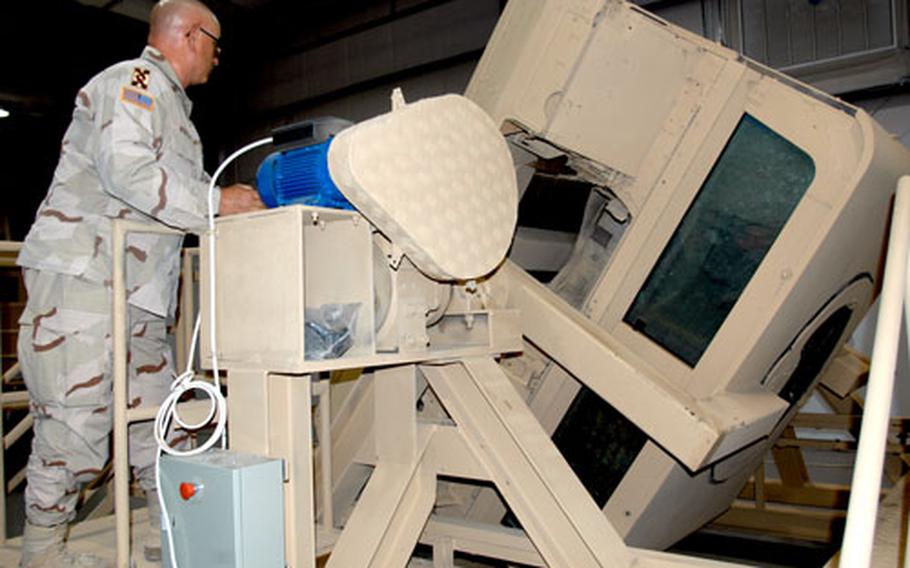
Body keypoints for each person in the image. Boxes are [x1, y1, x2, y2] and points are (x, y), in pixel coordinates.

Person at [15, 1, 264, 566]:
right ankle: (41, 553)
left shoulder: (176, 114)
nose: (217, 59)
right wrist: (217, 201)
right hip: (88, 282)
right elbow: (127, 172)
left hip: (140, 298)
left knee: (160, 425)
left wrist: (228, 207)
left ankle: (170, 536)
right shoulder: (134, 84)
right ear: (192, 36)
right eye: (215, 45)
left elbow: (183, 199)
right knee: (75, 428)